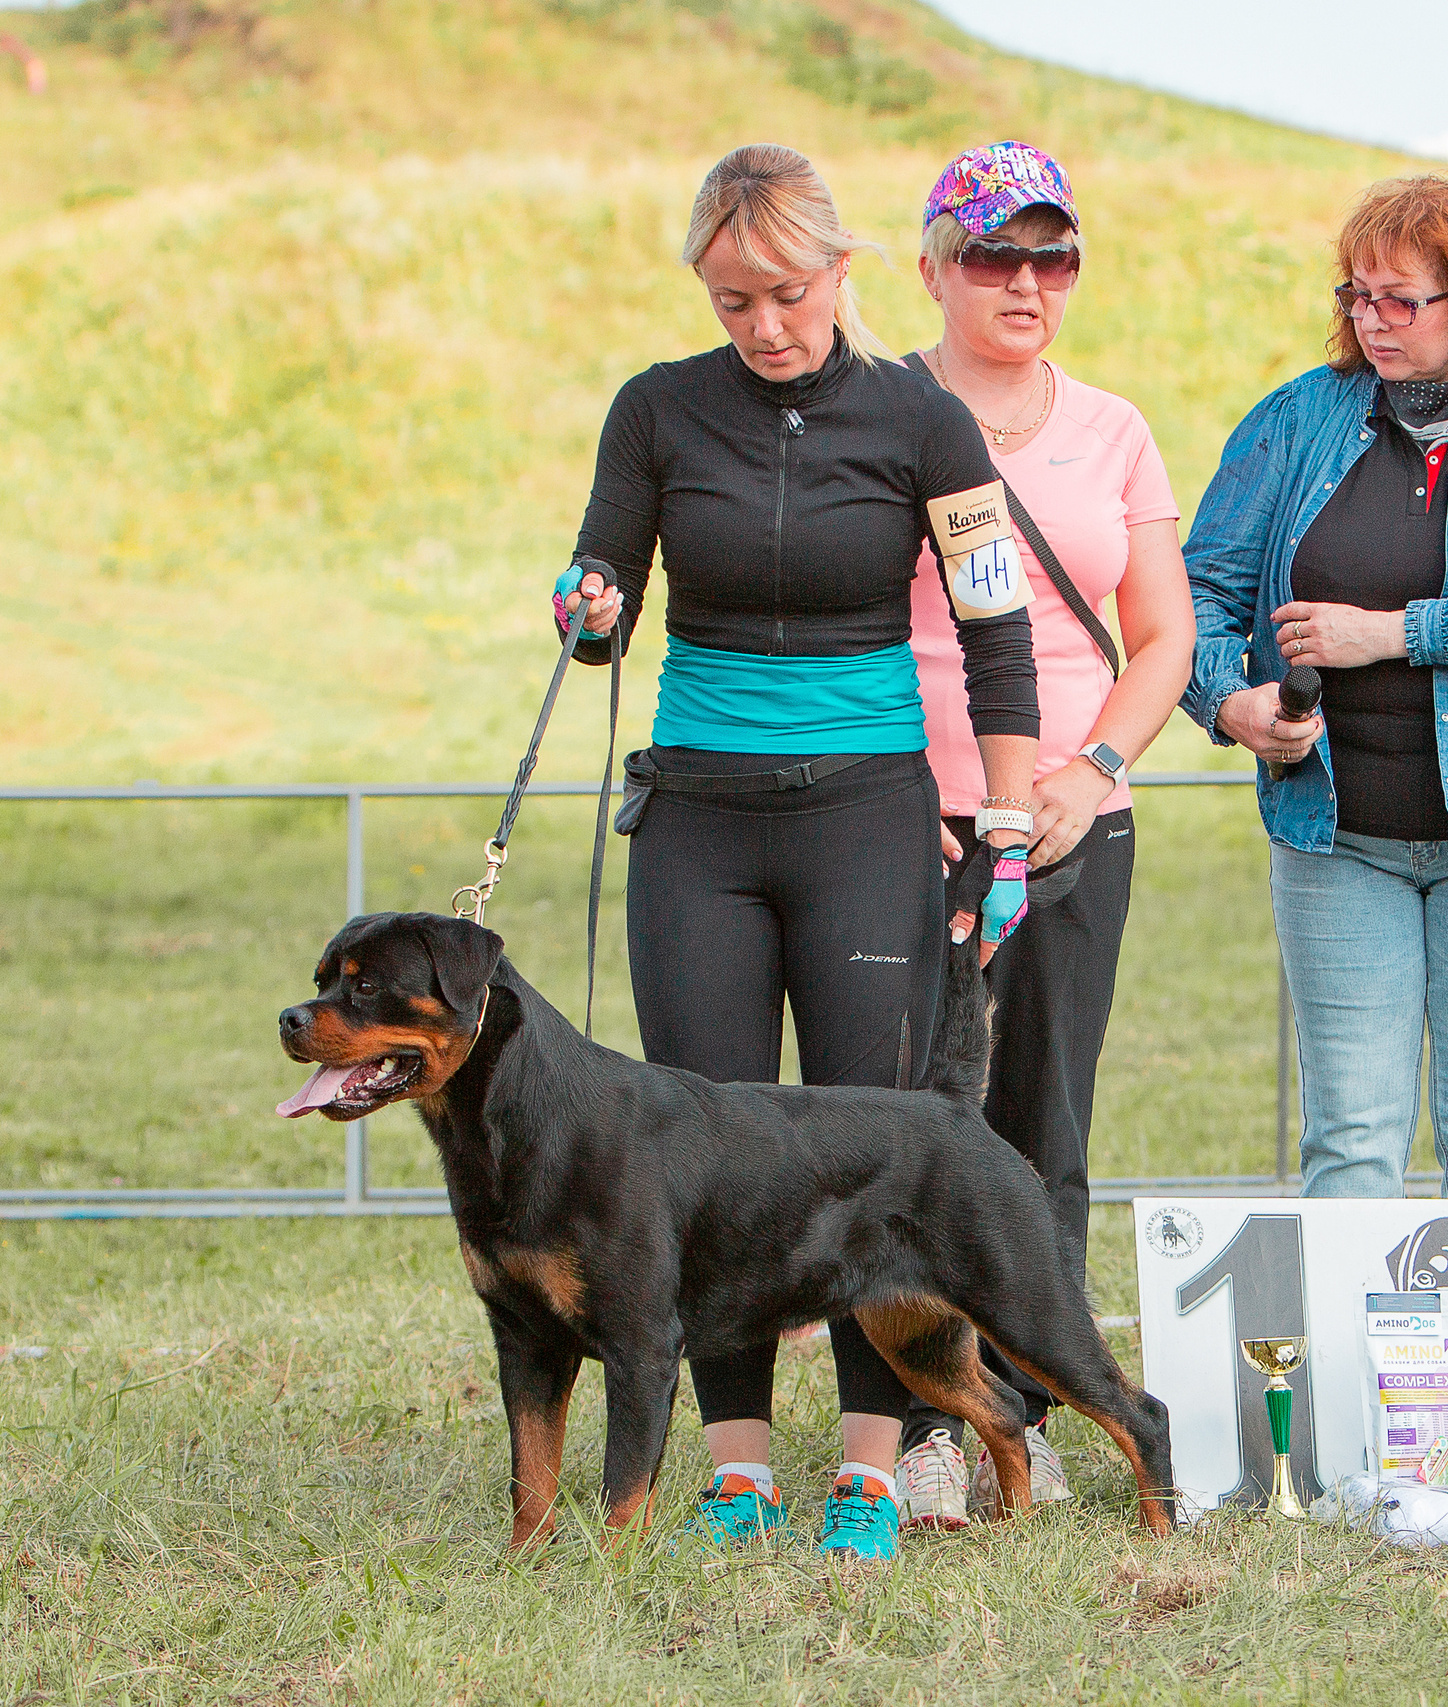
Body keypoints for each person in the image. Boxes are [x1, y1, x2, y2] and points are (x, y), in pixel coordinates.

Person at [557, 143, 1042, 1564]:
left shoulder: (924, 422)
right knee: (699, 1150)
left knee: (875, 1145)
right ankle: (737, 1470)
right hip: (699, 820)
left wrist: (1005, 822)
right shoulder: (656, 411)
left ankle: (875, 1475)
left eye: (784, 293)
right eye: (730, 303)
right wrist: (585, 605)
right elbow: (605, 589)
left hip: (866, 822)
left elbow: (999, 631)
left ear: (844, 272)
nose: (763, 326)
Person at [1177, 175, 1448, 1200]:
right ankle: (1341, 1369)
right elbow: (1201, 586)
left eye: (1398, 299)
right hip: (1337, 841)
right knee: (1349, 1141)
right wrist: (1226, 702)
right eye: (1354, 295)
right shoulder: (1295, 418)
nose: (1369, 320)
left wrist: (1388, 634)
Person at [884, 141, 1194, 1531]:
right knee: (899, 1126)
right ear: (934, 264)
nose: (1025, 281)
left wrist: (1092, 767)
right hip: (898, 815)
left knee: (1039, 1129)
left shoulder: (1114, 427)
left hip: (1070, 824)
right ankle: (910, 1428)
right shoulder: (875, 407)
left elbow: (1164, 635)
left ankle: (1030, 1404)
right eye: (994, 255)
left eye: (1051, 256)